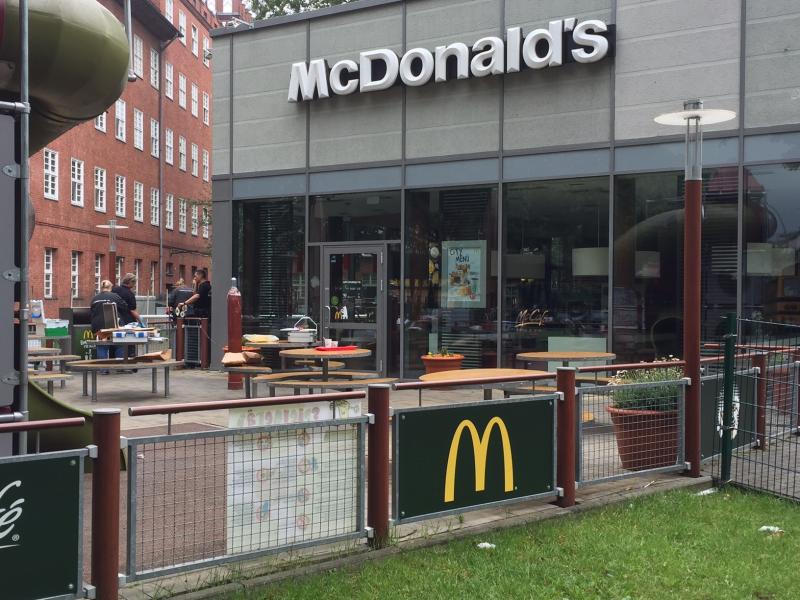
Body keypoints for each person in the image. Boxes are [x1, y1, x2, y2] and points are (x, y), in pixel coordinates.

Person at [90, 280, 127, 362]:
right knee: (119, 344)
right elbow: (124, 307)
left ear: (101, 288)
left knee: (102, 345)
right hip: (113, 324)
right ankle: (119, 366)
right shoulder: (115, 296)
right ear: (110, 287)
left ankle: (103, 369)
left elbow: (92, 311)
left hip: (98, 326)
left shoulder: (95, 298)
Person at [112, 273, 141, 361]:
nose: (134, 285)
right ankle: (130, 362)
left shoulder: (114, 289)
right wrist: (140, 320)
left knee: (116, 342)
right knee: (130, 342)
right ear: (130, 282)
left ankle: (115, 361)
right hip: (128, 321)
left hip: (115, 320)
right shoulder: (130, 294)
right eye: (134, 283)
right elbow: (132, 310)